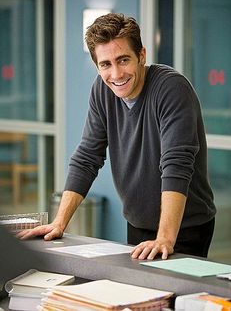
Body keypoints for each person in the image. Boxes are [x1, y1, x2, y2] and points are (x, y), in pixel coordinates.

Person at [18, 13, 216, 260]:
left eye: (123, 60)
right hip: (138, 222)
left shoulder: (172, 89)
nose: (116, 74)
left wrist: (165, 237)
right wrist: (59, 223)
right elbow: (87, 156)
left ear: (141, 56)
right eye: (106, 64)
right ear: (97, 65)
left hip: (185, 227)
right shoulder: (102, 90)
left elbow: (177, 164)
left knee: (175, 298)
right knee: (140, 297)